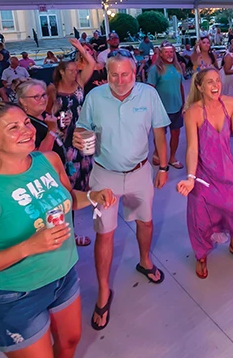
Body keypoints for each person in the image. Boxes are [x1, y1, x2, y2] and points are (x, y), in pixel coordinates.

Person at [0, 102, 115, 356]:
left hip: (64, 274)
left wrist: (94, 196)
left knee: (70, 341)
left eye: (27, 122)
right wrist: (29, 246)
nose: (27, 130)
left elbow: (68, 200)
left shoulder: (48, 160)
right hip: (17, 294)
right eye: (13, 128)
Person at [76, 50, 170, 331]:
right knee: (104, 234)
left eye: (125, 73)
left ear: (135, 71)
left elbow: (159, 135)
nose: (119, 80)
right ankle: (104, 291)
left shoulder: (148, 94)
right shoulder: (95, 97)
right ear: (106, 73)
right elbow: (81, 128)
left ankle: (144, 261)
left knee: (146, 221)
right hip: (105, 175)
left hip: (141, 171)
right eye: (113, 74)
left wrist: (163, 167)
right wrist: (81, 138)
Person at [176, 68, 233, 279]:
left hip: (227, 171)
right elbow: (192, 148)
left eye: (218, 81)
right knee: (201, 218)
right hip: (203, 176)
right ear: (199, 87)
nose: (216, 85)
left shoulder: (229, 103)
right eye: (210, 82)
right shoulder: (193, 112)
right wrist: (190, 178)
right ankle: (202, 255)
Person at [46, 39, 97, 248]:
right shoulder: (52, 89)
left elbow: (92, 64)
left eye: (77, 70)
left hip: (81, 138)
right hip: (63, 141)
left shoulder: (79, 85)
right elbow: (46, 114)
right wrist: (57, 122)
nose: (75, 73)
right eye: (71, 70)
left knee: (84, 178)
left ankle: (81, 214)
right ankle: (69, 233)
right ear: (61, 72)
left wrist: (80, 49)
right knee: (65, 187)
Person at [147, 41, 185, 169]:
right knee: (160, 134)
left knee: (176, 134)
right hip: (161, 109)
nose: (169, 54)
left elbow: (180, 86)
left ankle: (172, 157)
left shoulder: (177, 67)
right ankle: (158, 153)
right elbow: (150, 90)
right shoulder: (155, 69)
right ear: (161, 54)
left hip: (177, 107)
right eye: (166, 52)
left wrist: (184, 104)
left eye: (171, 52)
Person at [17, 79, 66, 165]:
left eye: (44, 95)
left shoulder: (44, 114)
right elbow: (38, 157)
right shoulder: (25, 125)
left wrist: (64, 126)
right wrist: (52, 130)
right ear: (23, 101)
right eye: (36, 97)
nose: (43, 100)